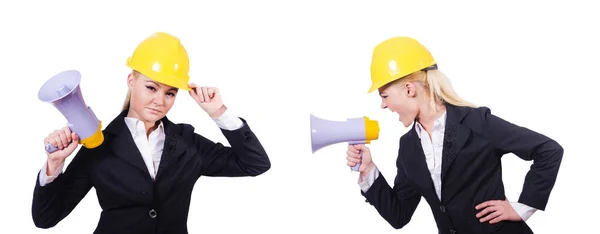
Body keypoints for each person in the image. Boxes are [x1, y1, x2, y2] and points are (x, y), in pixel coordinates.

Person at [31, 32, 271, 234]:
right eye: (151, 87)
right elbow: (46, 218)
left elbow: (255, 164)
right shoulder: (98, 147)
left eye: (170, 93)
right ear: (131, 81)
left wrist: (218, 112)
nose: (160, 101)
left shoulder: (189, 144)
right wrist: (55, 163)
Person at [346, 36, 563, 234]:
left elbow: (548, 150)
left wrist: (522, 207)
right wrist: (368, 169)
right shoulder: (408, 146)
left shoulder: (477, 123)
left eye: (384, 96)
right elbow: (399, 215)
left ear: (409, 89)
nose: (383, 105)